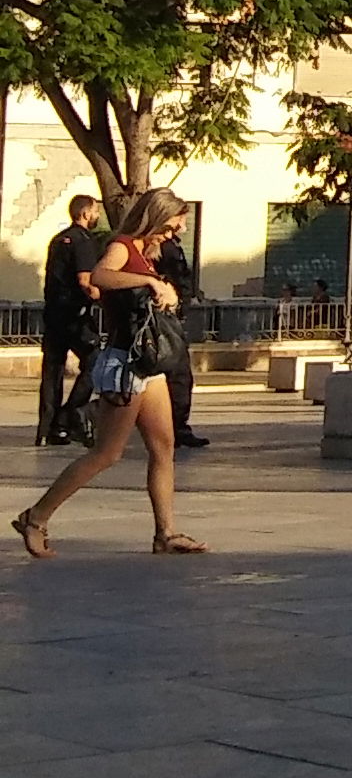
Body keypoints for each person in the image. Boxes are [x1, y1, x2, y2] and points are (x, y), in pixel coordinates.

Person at [12, 189, 205, 557]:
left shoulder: (149, 254)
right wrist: (148, 282)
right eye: (169, 227)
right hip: (127, 364)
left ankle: (166, 533)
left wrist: (167, 293)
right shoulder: (122, 246)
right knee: (106, 454)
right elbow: (100, 276)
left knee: (163, 448)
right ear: (154, 218)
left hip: (150, 365)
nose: (171, 235)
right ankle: (36, 517)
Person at [35, 195, 105, 448]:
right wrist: (104, 298)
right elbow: (85, 281)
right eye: (96, 211)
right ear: (86, 214)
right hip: (75, 316)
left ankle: (46, 429)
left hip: (53, 313)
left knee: (52, 371)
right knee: (95, 361)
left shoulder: (58, 240)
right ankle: (68, 417)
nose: (97, 216)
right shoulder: (83, 241)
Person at [151, 217, 210, 452]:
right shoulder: (161, 247)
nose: (185, 222)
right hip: (165, 318)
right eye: (182, 217)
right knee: (178, 375)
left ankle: (175, 428)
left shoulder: (170, 244)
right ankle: (176, 428)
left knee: (175, 376)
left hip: (172, 316)